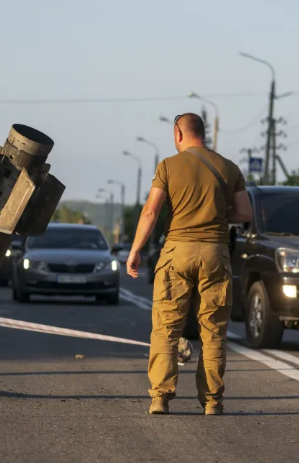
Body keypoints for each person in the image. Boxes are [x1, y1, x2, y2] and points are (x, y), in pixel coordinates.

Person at [125, 113, 253, 416]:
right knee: (213, 332)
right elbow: (244, 213)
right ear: (203, 134)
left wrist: (135, 250)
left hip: (176, 253)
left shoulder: (168, 166)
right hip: (215, 254)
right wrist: (218, 217)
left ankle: (160, 398)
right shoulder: (229, 168)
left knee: (166, 329)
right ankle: (212, 402)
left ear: (178, 134)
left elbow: (150, 213)